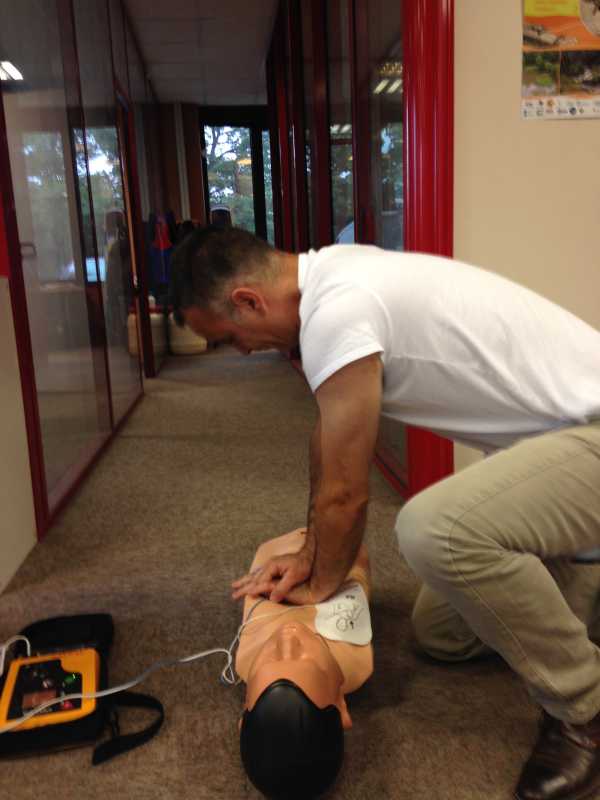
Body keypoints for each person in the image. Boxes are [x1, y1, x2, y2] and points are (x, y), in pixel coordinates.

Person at [171, 226, 600, 800]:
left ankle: (582, 713)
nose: (241, 352)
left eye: (229, 338)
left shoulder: (338, 309)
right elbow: (326, 443)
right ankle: (588, 581)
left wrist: (320, 583)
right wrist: (309, 556)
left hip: (590, 436)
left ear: (249, 300)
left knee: (436, 531)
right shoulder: (333, 276)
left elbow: (348, 493)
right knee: (440, 634)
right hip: (561, 452)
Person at [236, 527, 373, 799]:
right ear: (341, 704)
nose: (288, 638)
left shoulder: (244, 661)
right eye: (303, 658)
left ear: (244, 708)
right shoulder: (355, 655)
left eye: (272, 656)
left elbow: (264, 555)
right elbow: (354, 549)